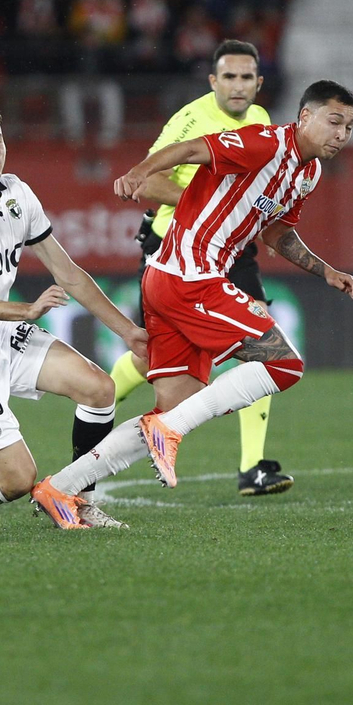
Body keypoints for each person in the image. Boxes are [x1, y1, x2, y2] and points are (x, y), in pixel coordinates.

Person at [31, 80, 353, 528]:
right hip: (192, 276)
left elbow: (275, 234)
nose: (341, 134)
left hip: (170, 278)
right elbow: (193, 149)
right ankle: (166, 433)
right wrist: (139, 172)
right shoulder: (267, 142)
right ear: (305, 117)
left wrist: (326, 270)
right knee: (285, 365)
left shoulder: (307, 173)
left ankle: (60, 490)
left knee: (172, 409)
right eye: (334, 121)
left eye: (349, 126)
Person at [0, 104, 149, 529]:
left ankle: (76, 499)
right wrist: (27, 310)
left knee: (99, 389)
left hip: (5, 335)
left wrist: (129, 332)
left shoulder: (17, 193)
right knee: (17, 478)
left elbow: (68, 274)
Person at [107, 40, 294, 496]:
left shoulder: (261, 120)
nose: (237, 86)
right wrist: (212, 205)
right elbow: (148, 180)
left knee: (262, 341)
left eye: (246, 77)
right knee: (150, 356)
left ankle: (254, 467)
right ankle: (97, 403)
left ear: (259, 83)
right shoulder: (190, 120)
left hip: (231, 249)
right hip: (175, 247)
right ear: (213, 81)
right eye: (228, 77)